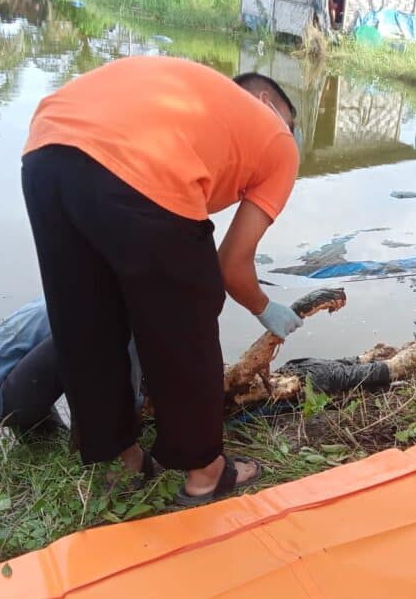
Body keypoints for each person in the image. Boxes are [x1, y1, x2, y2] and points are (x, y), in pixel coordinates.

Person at [22, 57, 303, 506]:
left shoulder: (201, 104)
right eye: (292, 123)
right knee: (188, 313)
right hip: (143, 160)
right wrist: (264, 308)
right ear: (267, 103)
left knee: (88, 316)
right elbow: (231, 266)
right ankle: (206, 473)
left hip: (46, 148)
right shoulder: (280, 142)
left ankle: (120, 460)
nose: (292, 133)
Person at [0, 298, 144, 442]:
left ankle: (36, 431)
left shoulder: (78, 293)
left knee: (51, 443)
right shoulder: (120, 307)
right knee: (99, 332)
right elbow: (120, 374)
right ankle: (88, 437)